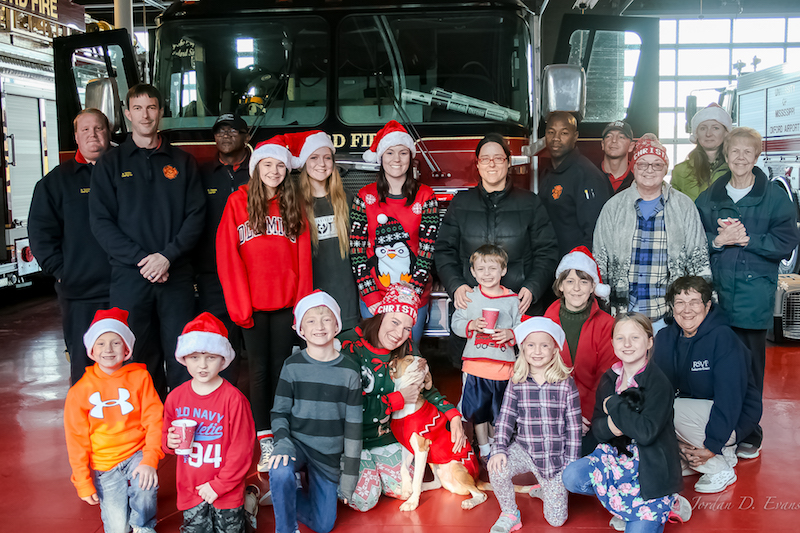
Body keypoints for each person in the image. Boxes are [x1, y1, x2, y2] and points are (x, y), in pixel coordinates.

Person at [90, 83, 206, 396]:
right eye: (138, 108)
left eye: (151, 107)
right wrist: (143, 261)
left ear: (161, 112)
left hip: (176, 276)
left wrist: (167, 256)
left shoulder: (183, 163)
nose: (145, 115)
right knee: (136, 356)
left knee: (183, 355)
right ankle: (147, 430)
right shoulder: (109, 165)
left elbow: (196, 217)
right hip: (130, 278)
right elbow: (101, 223)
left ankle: (182, 427)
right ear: (127, 114)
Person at [695, 126, 800, 459]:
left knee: (751, 368)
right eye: (734, 152)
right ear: (726, 155)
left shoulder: (774, 197)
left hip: (754, 299)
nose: (740, 158)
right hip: (718, 298)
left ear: (756, 157)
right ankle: (721, 430)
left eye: (747, 152)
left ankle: (749, 432)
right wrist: (717, 241)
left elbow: (787, 241)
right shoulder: (711, 197)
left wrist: (748, 240)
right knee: (717, 367)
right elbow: (695, 240)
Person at [216, 134, 312, 472]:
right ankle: (265, 437)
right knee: (258, 373)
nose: (274, 171)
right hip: (253, 307)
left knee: (284, 370)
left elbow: (303, 260)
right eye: (267, 165)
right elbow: (228, 258)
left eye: (280, 166)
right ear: (257, 168)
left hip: (286, 306)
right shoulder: (236, 203)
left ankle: (285, 432)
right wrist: (240, 307)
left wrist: (302, 309)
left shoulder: (293, 203)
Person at [436, 133, 559, 368]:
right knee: (475, 375)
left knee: (521, 375)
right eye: (485, 159)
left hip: (519, 307)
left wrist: (532, 287)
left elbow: (547, 250)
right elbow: (444, 250)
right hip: (472, 307)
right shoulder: (460, 203)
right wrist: (456, 285)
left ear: (508, 162)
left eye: (498, 158)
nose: (492, 164)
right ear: (478, 164)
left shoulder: (530, 203)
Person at [340, 283, 466, 512]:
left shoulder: (407, 347)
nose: (399, 334)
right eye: (395, 322)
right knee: (365, 500)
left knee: (405, 491)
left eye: (408, 328)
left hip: (387, 438)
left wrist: (453, 415)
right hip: (352, 439)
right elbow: (344, 405)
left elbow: (425, 389)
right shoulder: (349, 344)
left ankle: (376, 470)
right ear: (381, 315)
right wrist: (396, 399)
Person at [562, 313, 686, 533]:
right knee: (571, 477)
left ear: (649, 341)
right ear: (612, 343)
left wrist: (615, 405)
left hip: (650, 469)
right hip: (616, 457)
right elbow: (598, 429)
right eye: (620, 338)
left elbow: (646, 433)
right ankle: (624, 508)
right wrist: (612, 426)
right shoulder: (610, 378)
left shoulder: (659, 382)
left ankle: (667, 504)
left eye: (635, 338)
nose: (627, 344)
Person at [653, 276, 761, 494]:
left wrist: (713, 445)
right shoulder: (665, 337)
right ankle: (694, 455)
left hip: (734, 419)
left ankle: (718, 465)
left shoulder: (724, 339)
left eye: (694, 302)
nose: (687, 310)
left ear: (708, 305)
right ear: (672, 307)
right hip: (695, 416)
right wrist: (677, 446)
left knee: (668, 409)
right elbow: (658, 389)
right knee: (654, 405)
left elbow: (730, 399)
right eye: (680, 303)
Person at [593, 134, 711, 331]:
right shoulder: (613, 207)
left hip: (669, 316)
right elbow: (599, 260)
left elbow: (699, 260)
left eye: (657, 164)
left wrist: (703, 307)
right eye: (643, 164)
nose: (650, 170)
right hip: (623, 315)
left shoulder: (684, 207)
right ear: (633, 168)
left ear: (666, 168)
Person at [29, 108, 113, 385]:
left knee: (131, 363)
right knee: (85, 364)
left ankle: (128, 427)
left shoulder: (125, 173)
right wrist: (63, 271)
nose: (93, 135)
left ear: (108, 132)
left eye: (99, 128)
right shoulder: (55, 182)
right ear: (76, 136)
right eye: (85, 130)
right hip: (80, 293)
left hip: (126, 288)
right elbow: (41, 233)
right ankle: (88, 425)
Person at [267, 292, 363, 533]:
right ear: (299, 327)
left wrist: (350, 475)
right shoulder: (292, 365)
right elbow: (279, 412)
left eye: (326, 319)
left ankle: (290, 492)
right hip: (297, 444)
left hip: (327, 455)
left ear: (337, 325)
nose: (319, 327)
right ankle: (285, 527)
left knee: (323, 525)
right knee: (280, 471)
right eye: (310, 320)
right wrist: (283, 442)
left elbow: (353, 427)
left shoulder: (350, 371)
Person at [64, 308, 164, 533]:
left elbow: (154, 418)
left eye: (116, 343)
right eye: (100, 343)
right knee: (118, 529)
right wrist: (82, 480)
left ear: (127, 348)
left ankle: (143, 524)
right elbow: (76, 439)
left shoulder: (140, 378)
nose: (108, 349)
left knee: (145, 484)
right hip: (104, 463)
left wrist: (149, 459)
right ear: (91, 349)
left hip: (136, 452)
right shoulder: (79, 392)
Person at [163, 312, 255, 533]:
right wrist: (169, 442)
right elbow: (165, 435)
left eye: (210, 357)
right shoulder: (175, 397)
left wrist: (220, 485)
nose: (202, 365)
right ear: (184, 358)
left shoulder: (234, 399)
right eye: (194, 357)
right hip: (190, 488)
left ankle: (248, 510)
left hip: (227, 489)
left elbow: (242, 449)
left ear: (223, 360)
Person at [487, 317, 581, 531]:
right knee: (497, 468)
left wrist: (571, 462)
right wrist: (499, 449)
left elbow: (574, 427)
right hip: (525, 450)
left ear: (554, 350)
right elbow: (506, 417)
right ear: (523, 349)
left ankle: (545, 488)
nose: (537, 351)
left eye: (544, 345)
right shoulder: (517, 381)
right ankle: (510, 513)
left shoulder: (566, 384)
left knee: (556, 521)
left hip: (553, 459)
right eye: (531, 345)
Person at [351, 120, 439, 344]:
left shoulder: (425, 196)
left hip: (412, 295)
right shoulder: (364, 197)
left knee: (408, 359)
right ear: (381, 158)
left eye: (403, 152)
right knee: (375, 357)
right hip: (374, 295)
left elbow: (427, 250)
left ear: (411, 157)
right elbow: (357, 250)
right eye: (390, 153)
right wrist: (369, 294)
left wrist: (411, 295)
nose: (396, 159)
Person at [194, 113, 251, 386]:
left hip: (253, 273)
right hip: (212, 272)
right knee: (219, 338)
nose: (226, 136)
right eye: (220, 131)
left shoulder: (260, 170)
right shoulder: (201, 174)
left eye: (233, 131)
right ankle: (223, 397)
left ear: (246, 136)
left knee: (254, 340)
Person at [543, 246, 616, 455]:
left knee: (581, 457)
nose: (576, 288)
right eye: (570, 281)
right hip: (554, 409)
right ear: (561, 286)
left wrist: (582, 415)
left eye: (584, 281)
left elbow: (605, 377)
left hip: (591, 412)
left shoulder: (606, 324)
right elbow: (542, 373)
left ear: (593, 286)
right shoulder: (548, 319)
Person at [451, 244, 521, 460]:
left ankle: (497, 447)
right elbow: (455, 323)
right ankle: (484, 450)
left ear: (504, 270)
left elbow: (521, 326)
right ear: (473, 272)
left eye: (493, 268)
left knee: (500, 413)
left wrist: (510, 334)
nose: (487, 274)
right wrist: (471, 325)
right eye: (481, 269)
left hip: (503, 368)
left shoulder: (511, 299)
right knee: (478, 412)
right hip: (475, 366)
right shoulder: (469, 296)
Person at [288, 130, 360, 332]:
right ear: (304, 162)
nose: (322, 163)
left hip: (345, 298)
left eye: (327, 158)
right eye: (314, 157)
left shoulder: (348, 200)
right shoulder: (294, 203)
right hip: (310, 297)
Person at [539, 111, 612, 257]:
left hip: (573, 270)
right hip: (550, 265)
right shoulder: (547, 172)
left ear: (575, 137)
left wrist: (576, 270)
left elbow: (595, 235)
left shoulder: (587, 176)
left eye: (564, 133)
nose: (556, 139)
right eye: (551, 132)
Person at [671, 103, 732, 201]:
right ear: (696, 134)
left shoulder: (735, 169)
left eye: (715, 128)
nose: (708, 134)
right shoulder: (680, 171)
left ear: (726, 133)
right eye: (703, 128)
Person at [599, 120, 635, 194]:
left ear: (631, 146)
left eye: (621, 137)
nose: (614, 140)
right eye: (609, 136)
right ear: (603, 144)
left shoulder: (639, 178)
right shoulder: (590, 175)